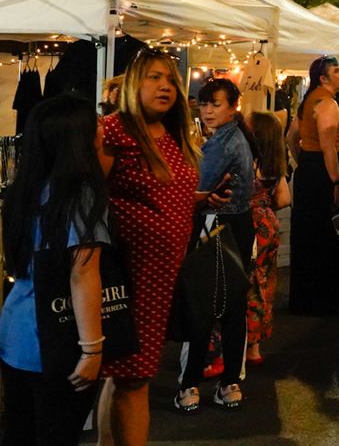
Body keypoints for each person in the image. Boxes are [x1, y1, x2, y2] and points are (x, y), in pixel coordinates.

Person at [97, 49, 210, 446]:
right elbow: (90, 202)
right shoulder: (112, 131)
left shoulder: (173, 134)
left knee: (125, 375)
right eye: (153, 77)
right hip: (132, 276)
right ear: (132, 84)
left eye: (170, 80)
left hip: (165, 276)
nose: (165, 86)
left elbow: (157, 192)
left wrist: (194, 199)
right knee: (134, 376)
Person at [0, 94, 109, 445]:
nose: (103, 129)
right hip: (59, 341)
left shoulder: (26, 189)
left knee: (20, 432)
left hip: (16, 334)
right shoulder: (81, 195)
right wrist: (92, 349)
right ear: (78, 140)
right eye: (96, 125)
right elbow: (83, 274)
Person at [175, 78, 257, 413]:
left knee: (203, 309)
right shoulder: (233, 136)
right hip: (238, 226)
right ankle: (228, 384)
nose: (208, 110)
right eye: (204, 103)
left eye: (216, 104)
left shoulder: (224, 143)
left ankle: (190, 385)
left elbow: (196, 187)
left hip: (219, 227)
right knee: (233, 310)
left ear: (233, 106)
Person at [286, 56, 339, 317]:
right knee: (332, 236)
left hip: (310, 172)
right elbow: (329, 148)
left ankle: (306, 298)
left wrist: (303, 160)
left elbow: (291, 137)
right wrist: (337, 183)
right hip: (327, 174)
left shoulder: (308, 101)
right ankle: (332, 301)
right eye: (336, 71)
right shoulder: (327, 103)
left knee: (308, 236)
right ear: (323, 78)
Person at [245, 111, 286, 368]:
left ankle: (240, 343)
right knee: (264, 283)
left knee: (247, 284)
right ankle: (255, 346)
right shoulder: (274, 164)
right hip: (268, 224)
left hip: (249, 226)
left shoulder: (247, 163)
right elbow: (285, 199)